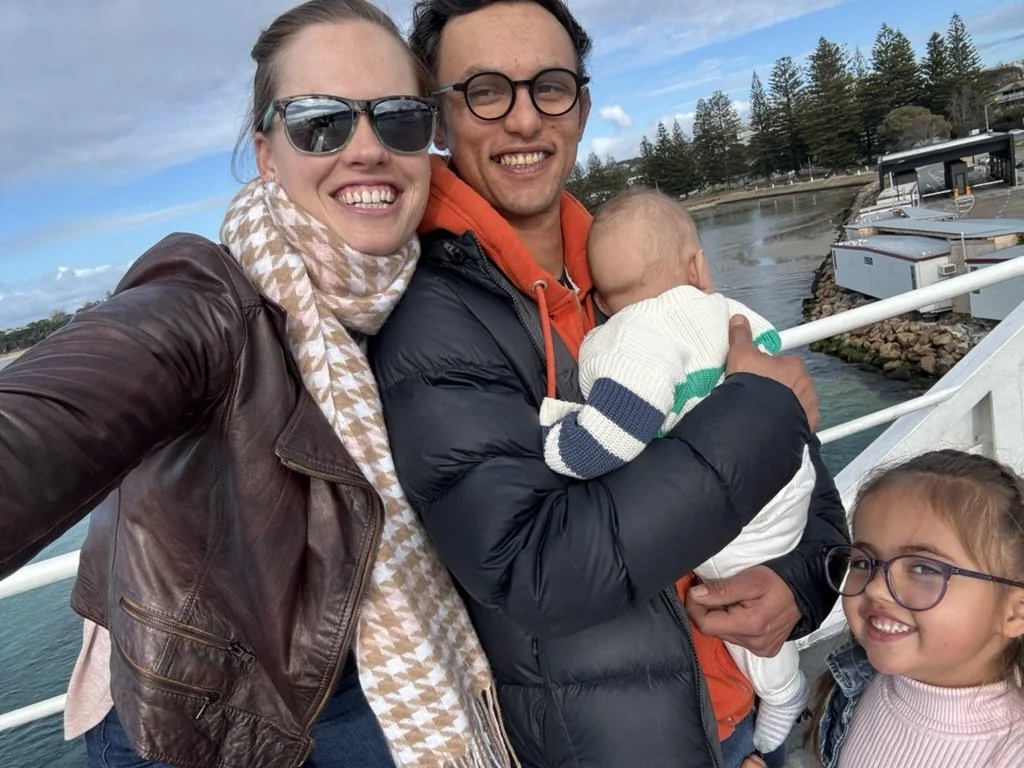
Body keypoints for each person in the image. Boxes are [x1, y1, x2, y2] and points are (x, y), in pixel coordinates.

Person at [0, 1, 513, 766]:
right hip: (208, 719)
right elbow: (48, 422)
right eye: (320, 121)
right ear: (268, 154)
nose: (367, 148)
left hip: (375, 688)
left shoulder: (431, 295)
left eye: (398, 117)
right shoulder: (205, 303)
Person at [368, 0, 849, 765]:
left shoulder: (630, 261)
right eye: (486, 91)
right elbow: (535, 570)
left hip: (744, 709)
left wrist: (801, 581)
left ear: (583, 107)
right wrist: (759, 412)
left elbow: (795, 473)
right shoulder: (429, 316)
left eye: (549, 86)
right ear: (438, 118)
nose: (523, 120)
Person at [539, 188, 815, 756]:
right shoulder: (726, 310)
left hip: (743, 519)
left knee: (738, 605)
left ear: (605, 301)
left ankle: (782, 689)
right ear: (697, 266)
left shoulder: (632, 334)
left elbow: (616, 431)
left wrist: (556, 445)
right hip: (792, 479)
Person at [813, 450, 1024, 768]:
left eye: (925, 569)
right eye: (862, 561)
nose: (874, 588)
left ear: (1015, 612)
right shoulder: (854, 683)